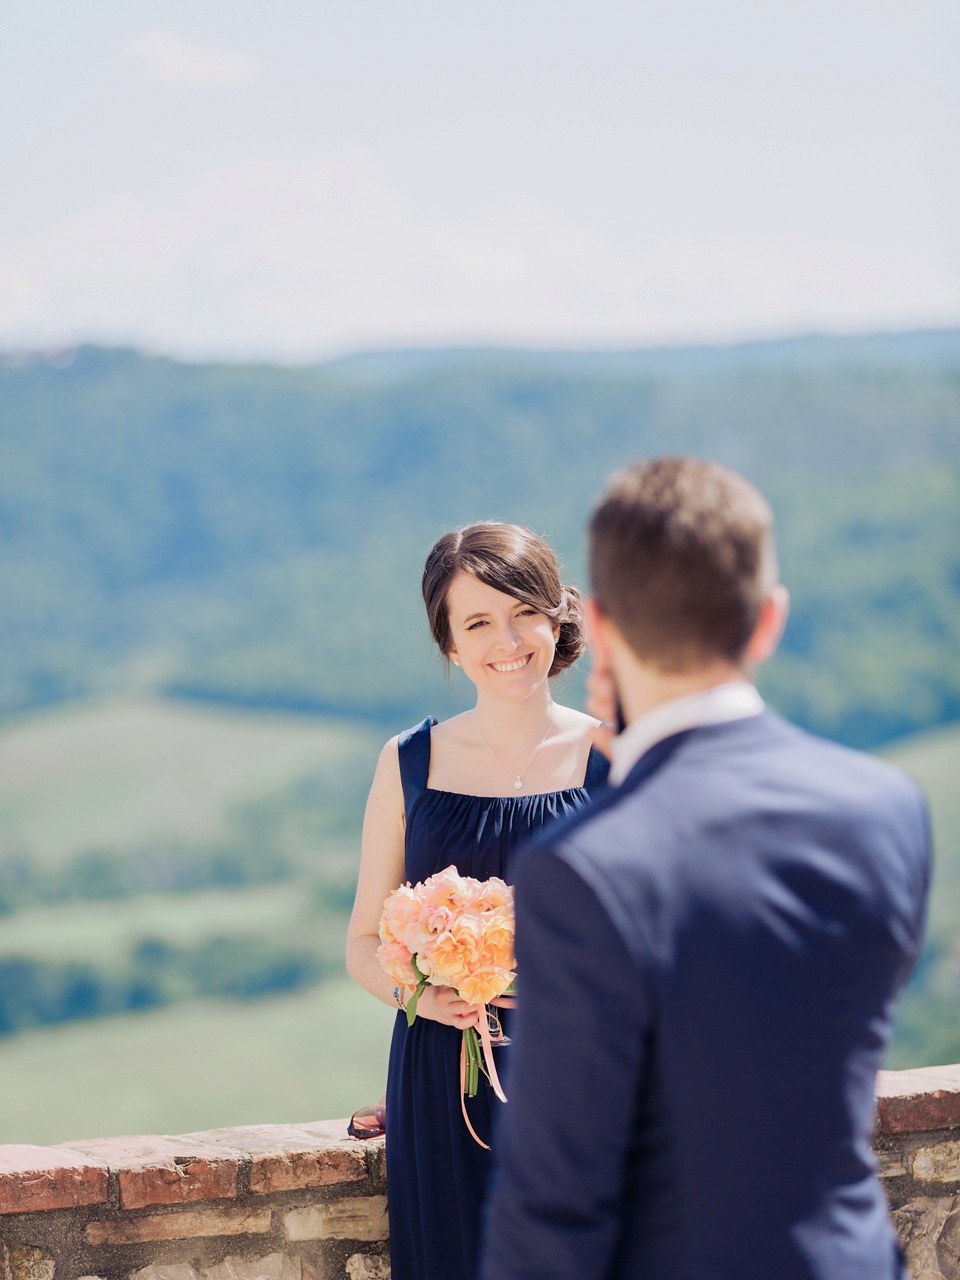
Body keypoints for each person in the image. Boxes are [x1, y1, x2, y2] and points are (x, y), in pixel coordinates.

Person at [481, 458, 932, 1280]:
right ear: (769, 620)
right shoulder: (888, 809)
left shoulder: (583, 866)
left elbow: (555, 1197)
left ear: (605, 631)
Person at [346, 521, 609, 1280]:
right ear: (451, 646)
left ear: (557, 617)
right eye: (477, 622)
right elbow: (363, 942)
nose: (508, 640)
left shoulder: (618, 756)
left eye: (523, 610)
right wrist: (424, 1000)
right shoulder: (408, 762)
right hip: (441, 1083)